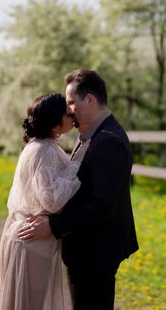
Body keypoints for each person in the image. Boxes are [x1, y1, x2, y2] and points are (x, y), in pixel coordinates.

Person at [18, 69, 139, 309]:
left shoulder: (108, 141)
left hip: (96, 250)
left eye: (71, 102)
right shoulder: (91, 134)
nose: (68, 109)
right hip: (86, 246)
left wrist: (52, 226)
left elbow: (101, 205)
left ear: (90, 100)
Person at [0, 93, 87, 310]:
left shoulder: (43, 146)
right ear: (55, 124)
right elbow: (51, 200)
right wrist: (76, 164)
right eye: (67, 112)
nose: (72, 114)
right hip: (32, 242)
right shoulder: (43, 151)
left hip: (31, 239)